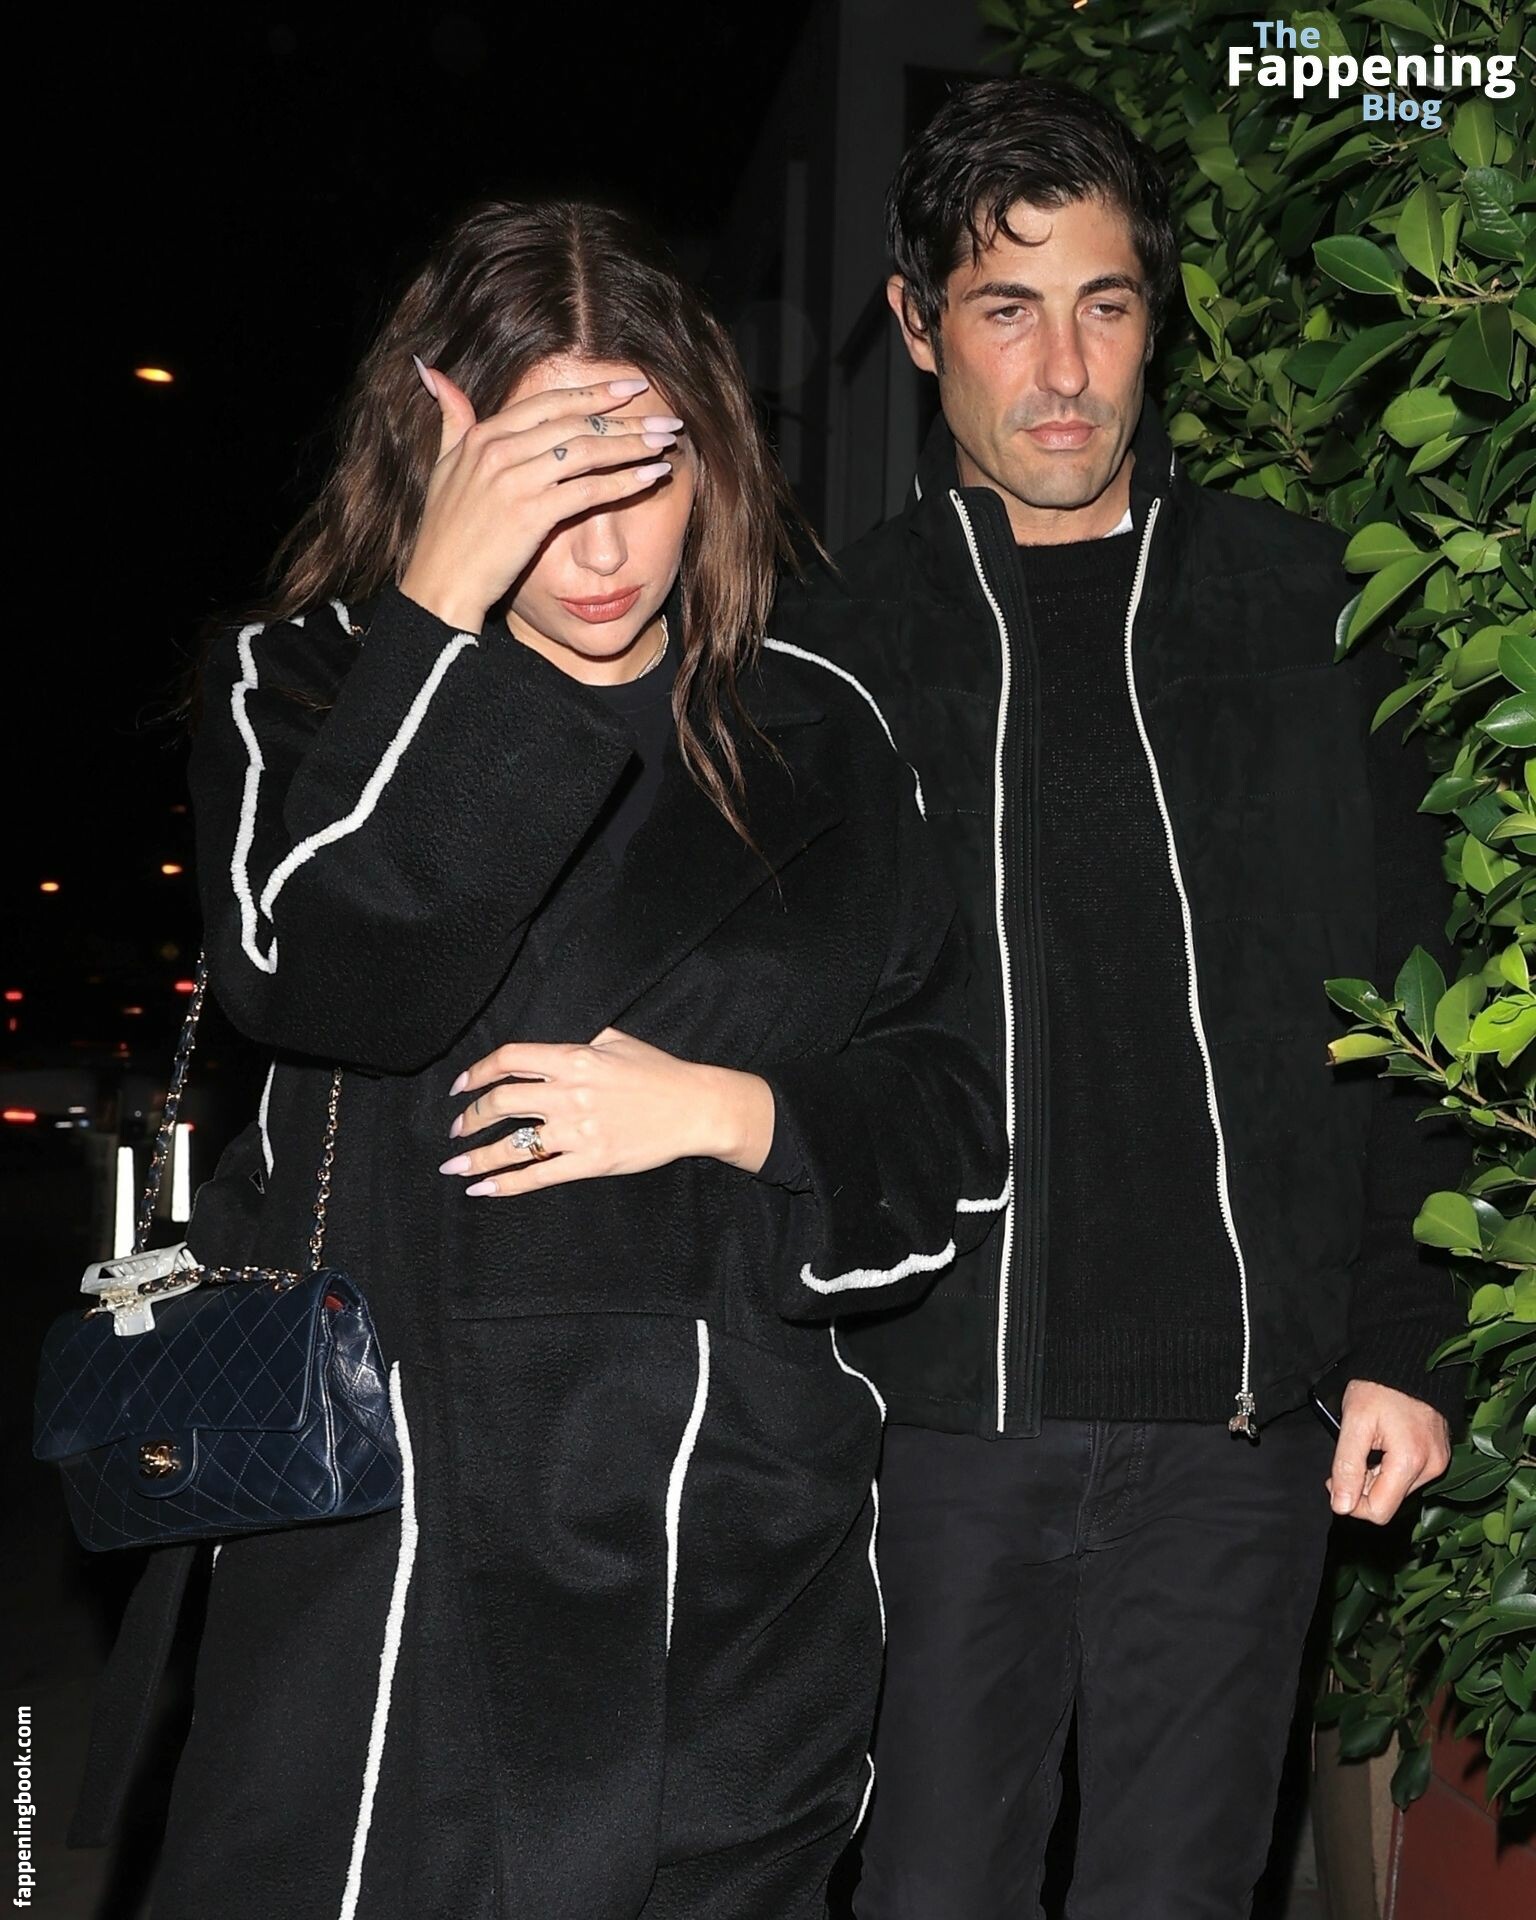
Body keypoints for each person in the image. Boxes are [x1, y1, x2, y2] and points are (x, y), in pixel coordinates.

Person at [74, 196, 1005, 1920]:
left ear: (714, 458)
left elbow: (951, 1119)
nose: (598, 548)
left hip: (738, 1550)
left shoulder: (817, 726)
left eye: (639, 475)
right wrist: (437, 603)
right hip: (401, 1554)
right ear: (442, 470)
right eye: (539, 486)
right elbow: (325, 979)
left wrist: (728, 1111)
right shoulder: (311, 687)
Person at [774, 77, 1464, 1920]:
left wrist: (1406, 1337)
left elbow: (1412, 998)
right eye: (1006, 309)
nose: (1064, 370)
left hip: (1239, 1431)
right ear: (921, 325)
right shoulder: (829, 654)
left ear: (1157, 321)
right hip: (932, 1423)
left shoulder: (1311, 615)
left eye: (1105, 304)